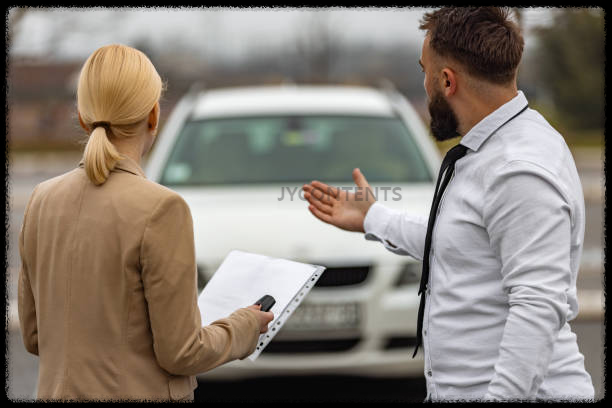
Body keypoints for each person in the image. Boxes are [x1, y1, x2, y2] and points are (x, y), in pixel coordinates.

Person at [302, 7, 594, 402]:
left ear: (447, 80)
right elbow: (465, 243)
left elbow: (537, 306)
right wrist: (374, 217)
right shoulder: (489, 149)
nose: (424, 85)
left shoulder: (519, 170)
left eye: (425, 72)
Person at [17, 44, 274, 402]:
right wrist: (245, 326)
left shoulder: (41, 200)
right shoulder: (161, 208)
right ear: (153, 115)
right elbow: (183, 352)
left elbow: (33, 337)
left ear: (82, 117)